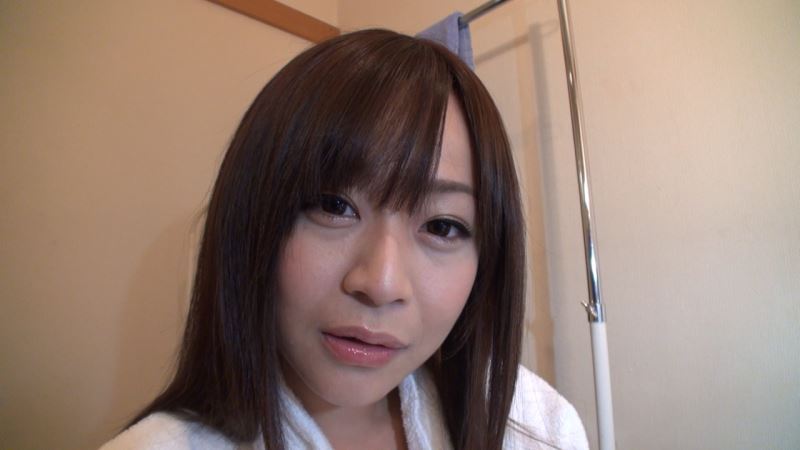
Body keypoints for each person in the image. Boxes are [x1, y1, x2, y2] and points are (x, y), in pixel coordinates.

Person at [102, 29, 588, 450]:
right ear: (251, 219)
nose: (381, 283)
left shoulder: (536, 427)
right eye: (334, 206)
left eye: (442, 226)